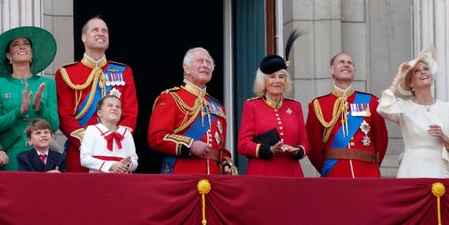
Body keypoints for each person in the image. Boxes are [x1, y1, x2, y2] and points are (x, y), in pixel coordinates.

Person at [55, 16, 138, 172]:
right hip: (81, 150)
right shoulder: (66, 73)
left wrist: (118, 140)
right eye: (95, 30)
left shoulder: (124, 72)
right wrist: (90, 141)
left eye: (104, 31)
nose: (101, 33)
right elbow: (64, 115)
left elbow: (130, 112)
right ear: (83, 37)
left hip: (117, 149)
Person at [377, 45, 449, 178]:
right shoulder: (403, 107)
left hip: (439, 170)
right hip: (411, 170)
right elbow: (382, 108)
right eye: (417, 71)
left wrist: (445, 138)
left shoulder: (447, 107)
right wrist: (398, 77)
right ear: (410, 83)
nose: (423, 72)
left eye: (426, 69)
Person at [148, 47, 236, 175]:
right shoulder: (171, 98)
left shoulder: (217, 106)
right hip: (181, 174)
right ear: (186, 68)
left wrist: (225, 163)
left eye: (208, 62)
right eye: (200, 61)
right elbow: (156, 138)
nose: (205, 65)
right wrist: (190, 145)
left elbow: (220, 148)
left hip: (214, 177)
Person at [0, 26, 60, 171]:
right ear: (9, 55)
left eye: (26, 44)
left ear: (32, 54)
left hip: (43, 154)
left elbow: (55, 125)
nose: (22, 47)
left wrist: (39, 108)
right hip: (11, 155)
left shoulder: (48, 84)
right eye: (16, 45)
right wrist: (19, 112)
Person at [306, 52, 388, 177]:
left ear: (354, 70)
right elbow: (313, 145)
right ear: (331, 70)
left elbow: (381, 140)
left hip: (367, 172)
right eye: (341, 62)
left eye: (350, 63)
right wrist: (327, 168)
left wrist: (372, 166)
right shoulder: (318, 105)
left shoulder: (371, 102)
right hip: (335, 172)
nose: (346, 65)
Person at [237, 54, 309, 177]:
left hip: (291, 173)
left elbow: (305, 142)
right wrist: (269, 150)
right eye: (272, 77)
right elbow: (243, 145)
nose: (277, 81)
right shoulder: (252, 106)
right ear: (263, 81)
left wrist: (298, 150)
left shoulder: (295, 106)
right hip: (262, 174)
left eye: (281, 77)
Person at [80, 94, 138, 173]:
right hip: (98, 181)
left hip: (122, 181)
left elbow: (134, 161)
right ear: (99, 113)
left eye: (118, 107)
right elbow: (84, 159)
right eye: (110, 106)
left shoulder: (126, 133)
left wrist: (128, 164)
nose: (114, 108)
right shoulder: (92, 130)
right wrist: (111, 166)